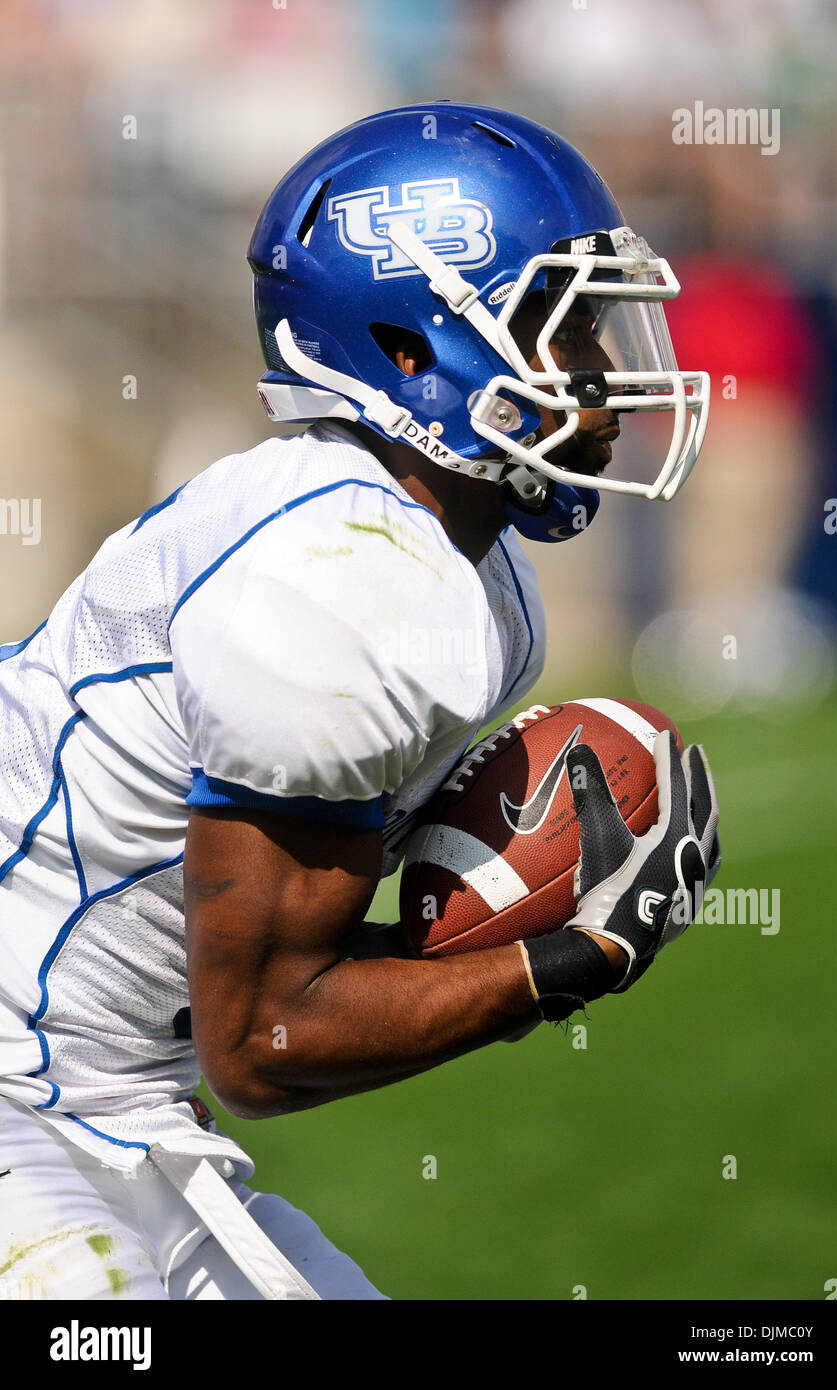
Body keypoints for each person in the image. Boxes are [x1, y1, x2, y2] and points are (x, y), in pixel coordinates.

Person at [0, 102, 718, 1301]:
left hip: (107, 1094)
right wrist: (564, 960)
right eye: (561, 326)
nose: (603, 371)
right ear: (406, 347)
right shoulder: (333, 590)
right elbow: (269, 1041)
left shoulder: (463, 572)